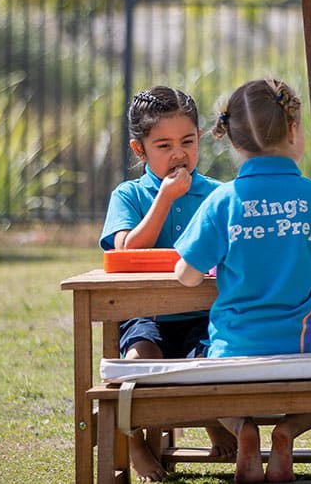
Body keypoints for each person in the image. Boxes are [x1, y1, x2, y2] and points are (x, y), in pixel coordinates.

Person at [174, 78, 311, 484]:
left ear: (234, 142)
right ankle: (287, 432)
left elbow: (186, 276)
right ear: (294, 130)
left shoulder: (221, 200)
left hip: (236, 348)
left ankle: (244, 429)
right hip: (310, 347)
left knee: (201, 383)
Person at [99, 86, 234, 482]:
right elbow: (123, 252)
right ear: (140, 151)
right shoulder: (129, 194)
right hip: (147, 315)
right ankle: (135, 440)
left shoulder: (218, 194)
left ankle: (209, 415)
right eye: (164, 145)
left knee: (206, 366)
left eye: (187, 142)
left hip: (201, 314)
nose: (179, 154)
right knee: (138, 363)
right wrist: (164, 198)